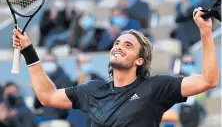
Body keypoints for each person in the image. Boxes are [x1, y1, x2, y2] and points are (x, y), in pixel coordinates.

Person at [12, 7, 219, 127]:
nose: (118, 47)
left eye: (128, 46)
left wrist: (205, 33)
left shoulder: (156, 87)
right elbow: (48, 96)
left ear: (140, 60)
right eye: (117, 43)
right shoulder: (92, 90)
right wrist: (29, 51)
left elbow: (208, 81)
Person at [33, 53, 72, 124]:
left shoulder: (64, 79)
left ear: (56, 63)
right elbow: (36, 104)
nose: (48, 63)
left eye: (51, 61)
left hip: (60, 117)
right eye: (46, 61)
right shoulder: (40, 78)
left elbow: (66, 102)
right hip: (44, 116)